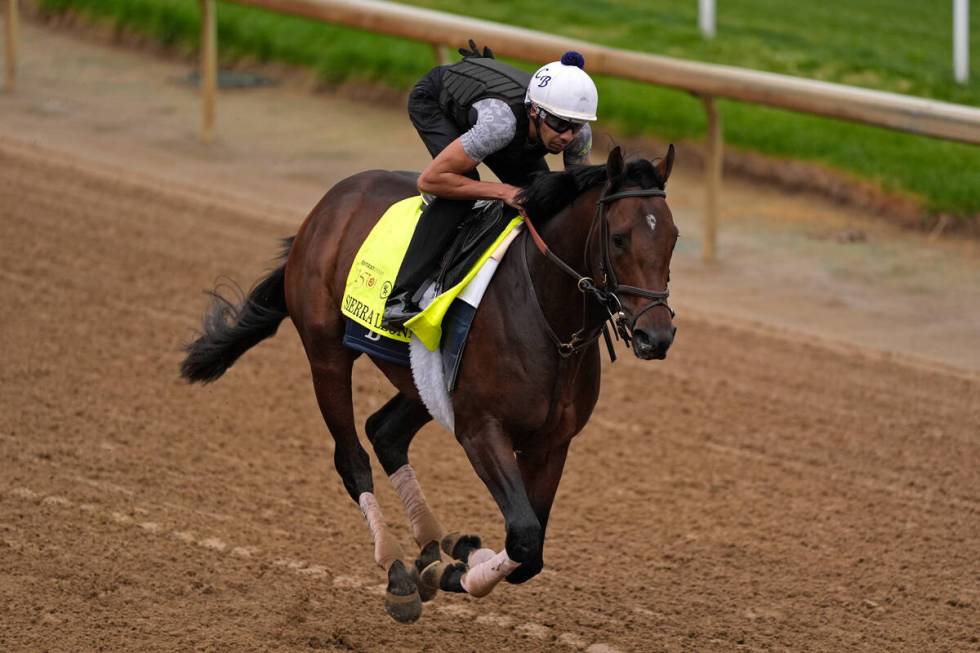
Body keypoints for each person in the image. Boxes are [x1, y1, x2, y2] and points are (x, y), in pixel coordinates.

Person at [381, 43, 599, 328]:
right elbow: (431, 180)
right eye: (560, 124)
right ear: (535, 111)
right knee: (463, 189)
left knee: (542, 198)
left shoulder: (576, 133)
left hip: (495, 118)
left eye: (577, 125)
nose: (568, 136)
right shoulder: (501, 125)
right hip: (436, 103)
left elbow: (578, 195)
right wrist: (503, 192)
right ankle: (400, 297)